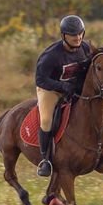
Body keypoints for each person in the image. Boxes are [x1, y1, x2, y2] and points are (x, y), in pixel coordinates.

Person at [35, 15, 91, 176]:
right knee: (46, 120)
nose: (78, 37)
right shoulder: (51, 56)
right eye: (74, 34)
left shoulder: (86, 49)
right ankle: (45, 160)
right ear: (63, 35)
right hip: (50, 90)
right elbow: (40, 79)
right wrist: (62, 86)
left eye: (80, 33)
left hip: (73, 89)